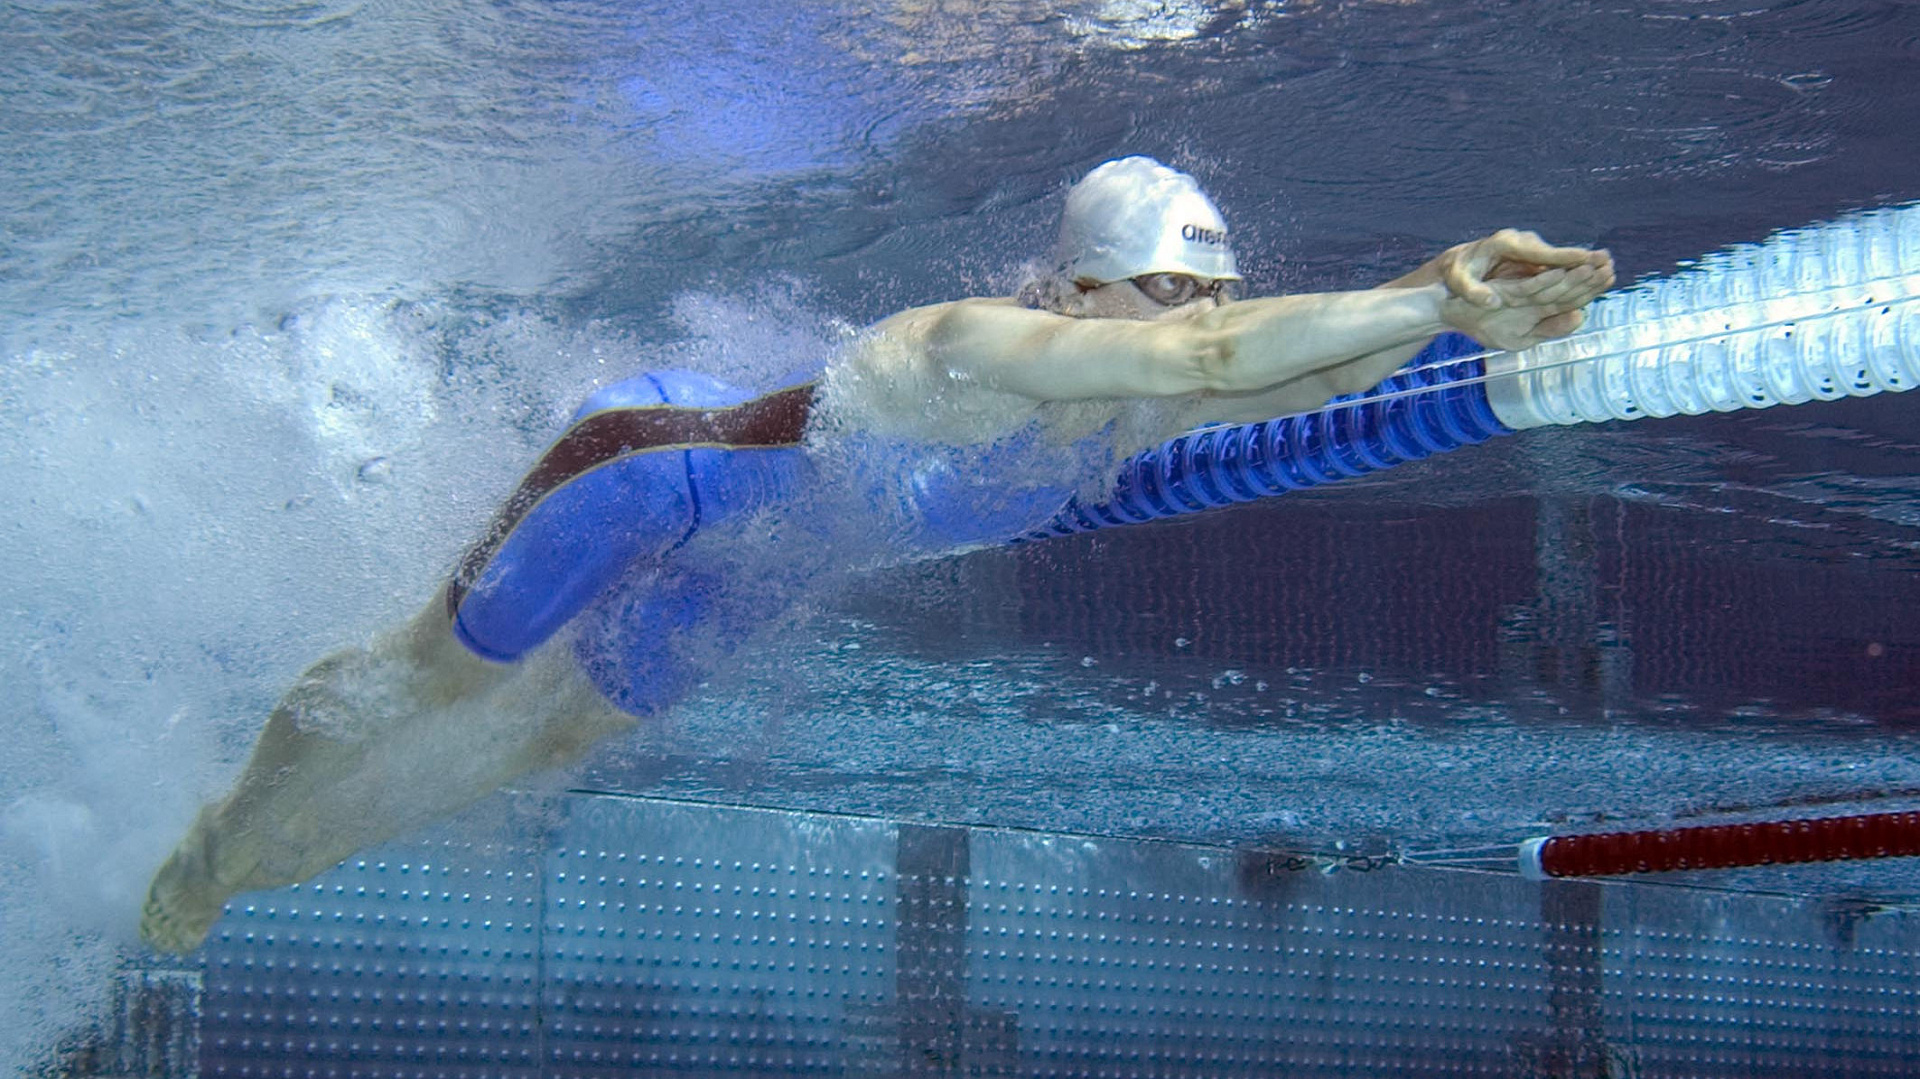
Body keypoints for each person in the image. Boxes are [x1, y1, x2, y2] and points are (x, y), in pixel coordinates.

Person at [139, 156, 1614, 953]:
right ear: (1082, 283)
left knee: (546, 747)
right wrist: (1414, 304)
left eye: (1195, 290)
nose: (1180, 317)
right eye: (1156, 290)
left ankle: (290, 854)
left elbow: (1285, 371)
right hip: (654, 488)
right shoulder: (977, 347)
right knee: (436, 681)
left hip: (760, 570)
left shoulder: (1143, 387)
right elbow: (1226, 349)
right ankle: (224, 833)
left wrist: (1445, 301)